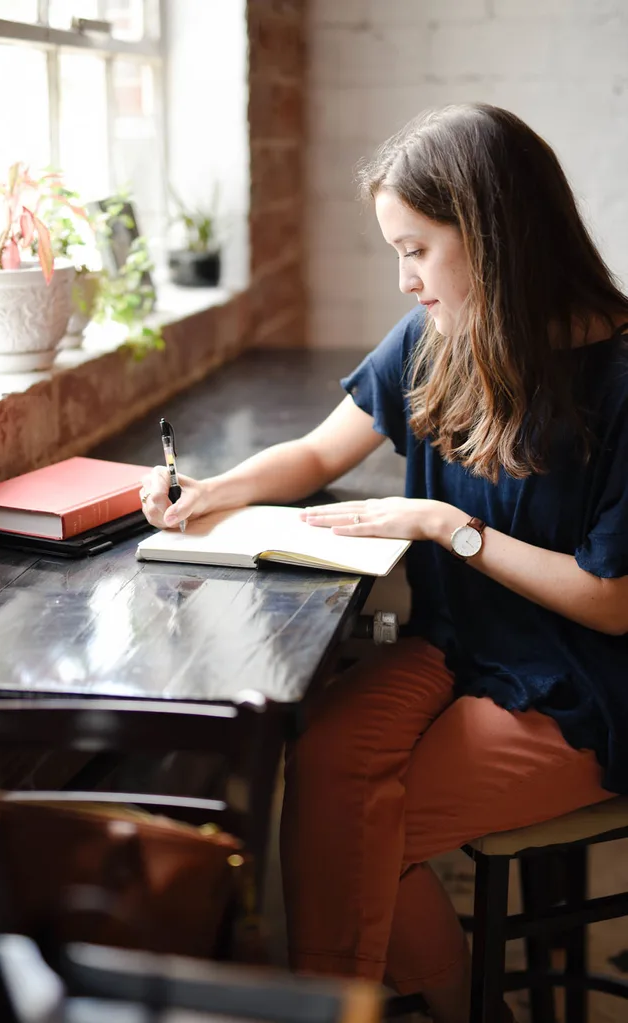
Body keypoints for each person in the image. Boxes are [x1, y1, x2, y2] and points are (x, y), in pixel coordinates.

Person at [139, 104, 628, 1023]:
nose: (404, 280)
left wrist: (448, 526)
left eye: (417, 249)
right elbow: (320, 453)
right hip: (463, 645)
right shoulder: (441, 337)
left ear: (493, 234)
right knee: (324, 759)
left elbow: (612, 604)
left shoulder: (622, 378)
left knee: (359, 826)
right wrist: (215, 490)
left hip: (588, 682)